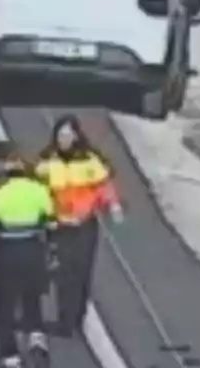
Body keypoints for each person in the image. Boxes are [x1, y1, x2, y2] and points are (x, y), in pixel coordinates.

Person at [35, 116, 123, 335]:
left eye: (67, 134)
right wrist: (49, 218)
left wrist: (113, 205)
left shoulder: (90, 162)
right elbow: (38, 194)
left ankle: (77, 319)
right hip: (59, 226)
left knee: (82, 272)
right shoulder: (46, 163)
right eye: (60, 134)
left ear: (76, 135)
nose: (64, 138)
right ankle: (65, 321)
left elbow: (104, 186)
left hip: (85, 225)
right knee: (63, 273)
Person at [0, 141, 55, 368]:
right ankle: (37, 338)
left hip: (6, 252)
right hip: (33, 249)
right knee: (32, 296)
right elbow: (50, 223)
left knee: (4, 306)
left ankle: (10, 354)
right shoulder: (39, 189)